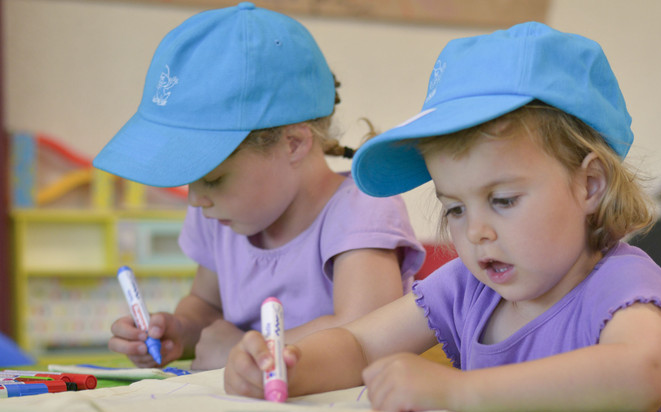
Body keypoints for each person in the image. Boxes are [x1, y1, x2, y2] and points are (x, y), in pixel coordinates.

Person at [224, 22, 661, 412]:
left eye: (503, 200)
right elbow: (360, 345)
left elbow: (641, 372)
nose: (476, 232)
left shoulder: (620, 280)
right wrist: (287, 364)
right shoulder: (468, 288)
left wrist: (460, 391)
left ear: (590, 186)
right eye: (455, 208)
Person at [94, 3, 424, 370]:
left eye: (214, 178)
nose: (196, 199)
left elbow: (369, 329)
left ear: (293, 143)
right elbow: (207, 307)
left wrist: (245, 351)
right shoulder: (222, 215)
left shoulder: (362, 209)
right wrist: (179, 333)